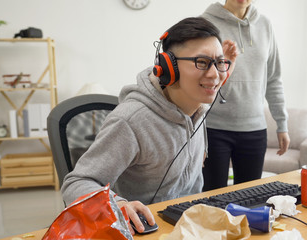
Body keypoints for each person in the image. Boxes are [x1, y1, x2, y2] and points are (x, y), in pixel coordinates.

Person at [61, 17, 237, 235]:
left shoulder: (198, 108)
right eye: (201, 62)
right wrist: (119, 205)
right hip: (145, 232)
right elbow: (76, 182)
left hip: (190, 228)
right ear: (168, 67)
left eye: (219, 63)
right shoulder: (131, 120)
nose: (214, 74)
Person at [201, 0, 290, 191]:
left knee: (249, 199)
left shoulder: (265, 25)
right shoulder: (205, 24)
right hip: (213, 129)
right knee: (212, 199)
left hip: (254, 130)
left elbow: (273, 78)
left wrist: (282, 124)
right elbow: (197, 78)